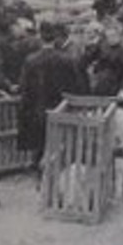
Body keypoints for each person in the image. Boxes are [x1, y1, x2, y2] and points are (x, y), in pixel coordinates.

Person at [18, 22, 89, 169]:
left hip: (38, 112)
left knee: (39, 147)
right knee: (60, 149)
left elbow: (25, 90)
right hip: (61, 111)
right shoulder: (66, 60)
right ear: (55, 38)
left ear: (40, 37)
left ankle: (40, 176)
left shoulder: (30, 61)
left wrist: (25, 111)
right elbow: (76, 87)